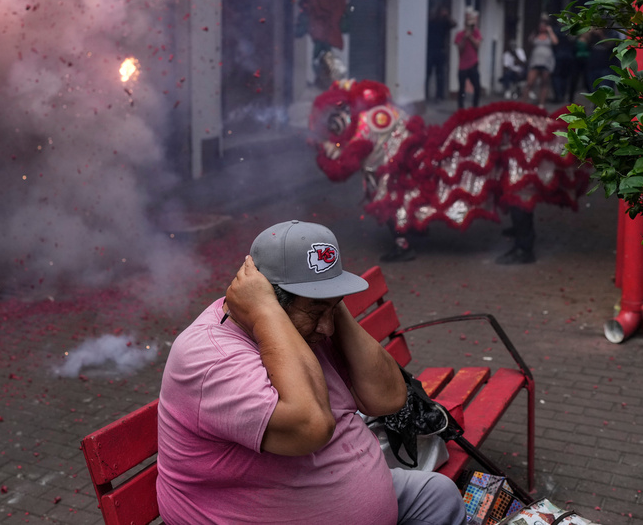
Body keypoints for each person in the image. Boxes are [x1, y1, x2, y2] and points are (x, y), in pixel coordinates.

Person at [156, 220, 467, 524]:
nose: (328, 327)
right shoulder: (209, 357)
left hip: (338, 491)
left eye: (333, 309)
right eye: (317, 312)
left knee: (438, 494)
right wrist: (266, 312)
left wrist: (327, 299)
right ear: (268, 298)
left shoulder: (310, 323)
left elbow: (389, 398)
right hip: (258, 511)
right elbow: (311, 429)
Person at [525, 16, 558, 108]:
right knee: (529, 83)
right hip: (535, 61)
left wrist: (550, 31)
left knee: (544, 83)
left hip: (546, 62)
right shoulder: (535, 35)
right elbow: (530, 42)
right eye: (541, 26)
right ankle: (523, 102)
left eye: (544, 26)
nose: (542, 27)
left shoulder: (549, 36)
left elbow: (555, 42)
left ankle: (541, 103)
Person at [426, 5, 456, 103]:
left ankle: (439, 95)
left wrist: (447, 16)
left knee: (440, 74)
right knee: (428, 73)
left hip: (440, 50)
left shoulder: (444, 22)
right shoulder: (432, 21)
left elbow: (454, 24)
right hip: (430, 50)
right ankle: (426, 93)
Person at [454, 10, 482, 109]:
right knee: (461, 89)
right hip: (463, 66)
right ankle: (460, 109)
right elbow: (460, 49)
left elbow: (478, 46)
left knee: (477, 87)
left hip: (473, 64)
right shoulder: (460, 34)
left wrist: (470, 37)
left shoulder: (476, 33)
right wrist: (464, 38)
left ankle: (475, 108)